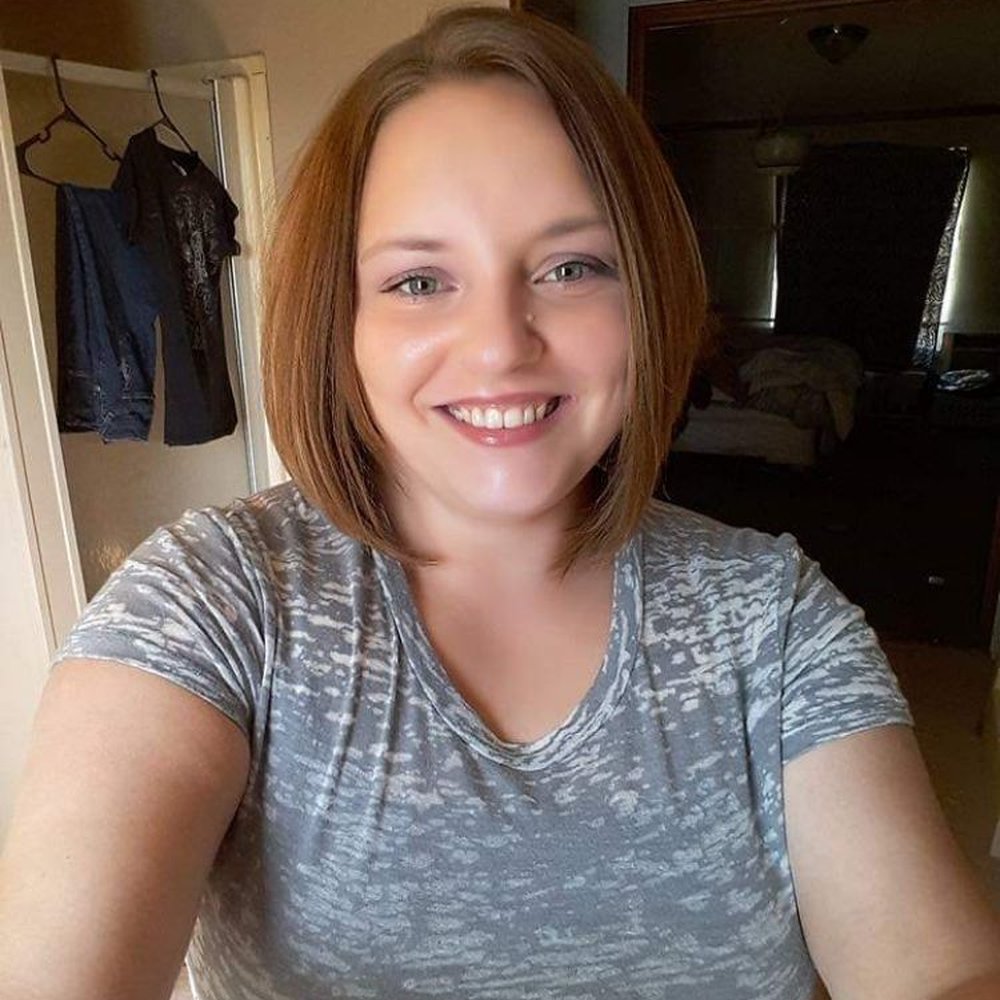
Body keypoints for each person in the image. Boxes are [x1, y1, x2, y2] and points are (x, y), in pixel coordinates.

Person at [1, 8, 998, 999]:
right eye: (419, 280)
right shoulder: (211, 601)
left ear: (646, 296)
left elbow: (940, 966)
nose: (499, 345)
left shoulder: (772, 617)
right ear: (339, 321)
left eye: (571, 267)